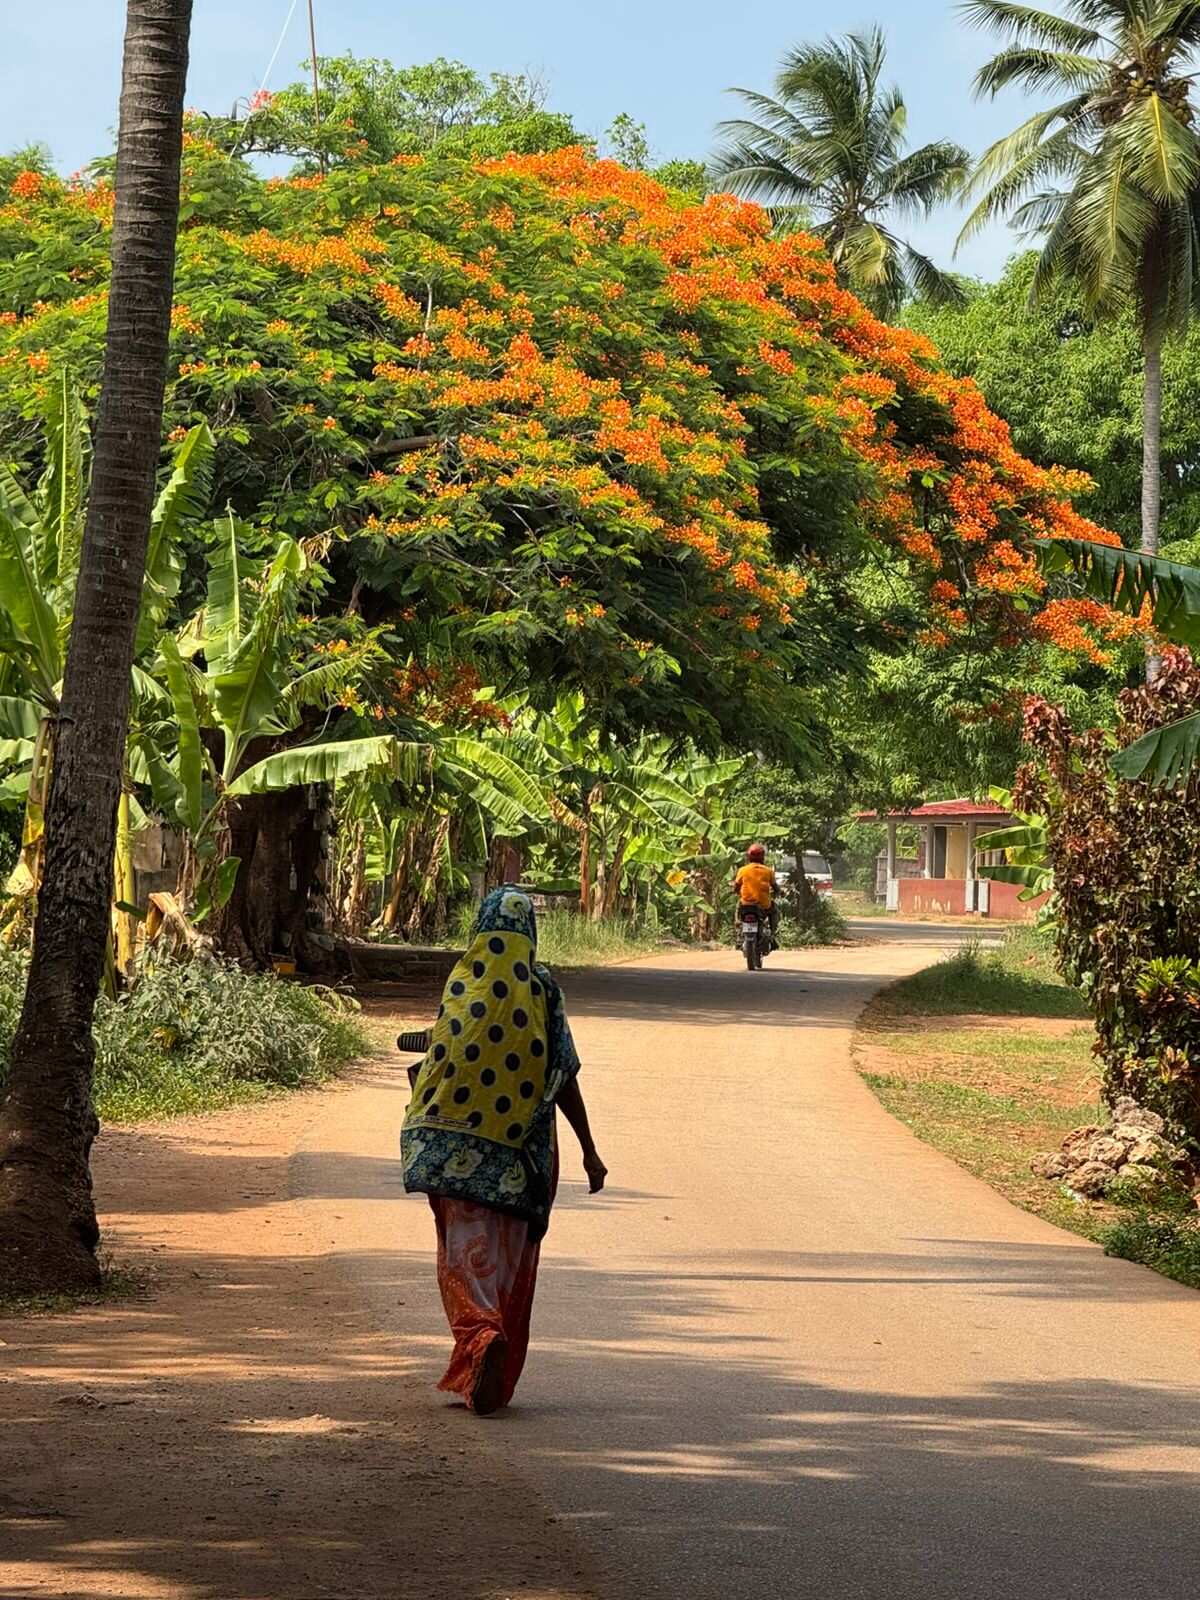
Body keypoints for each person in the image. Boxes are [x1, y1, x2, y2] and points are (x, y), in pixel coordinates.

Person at [401, 886, 606, 1415]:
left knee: (462, 1261)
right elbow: (564, 1075)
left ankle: (479, 1339)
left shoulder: (463, 980)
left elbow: (444, 1053)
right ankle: (491, 1347)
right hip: (520, 1160)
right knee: (507, 1266)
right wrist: (589, 1150)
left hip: (450, 1156)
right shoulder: (541, 990)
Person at [732, 843, 779, 945]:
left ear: (749, 857)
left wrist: (736, 892)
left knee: (738, 908)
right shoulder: (768, 871)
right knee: (774, 910)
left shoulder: (742, 870)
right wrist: (778, 892)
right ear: (763, 857)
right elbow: (775, 887)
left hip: (746, 904)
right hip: (764, 906)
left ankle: (738, 932)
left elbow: (735, 887)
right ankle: (773, 935)